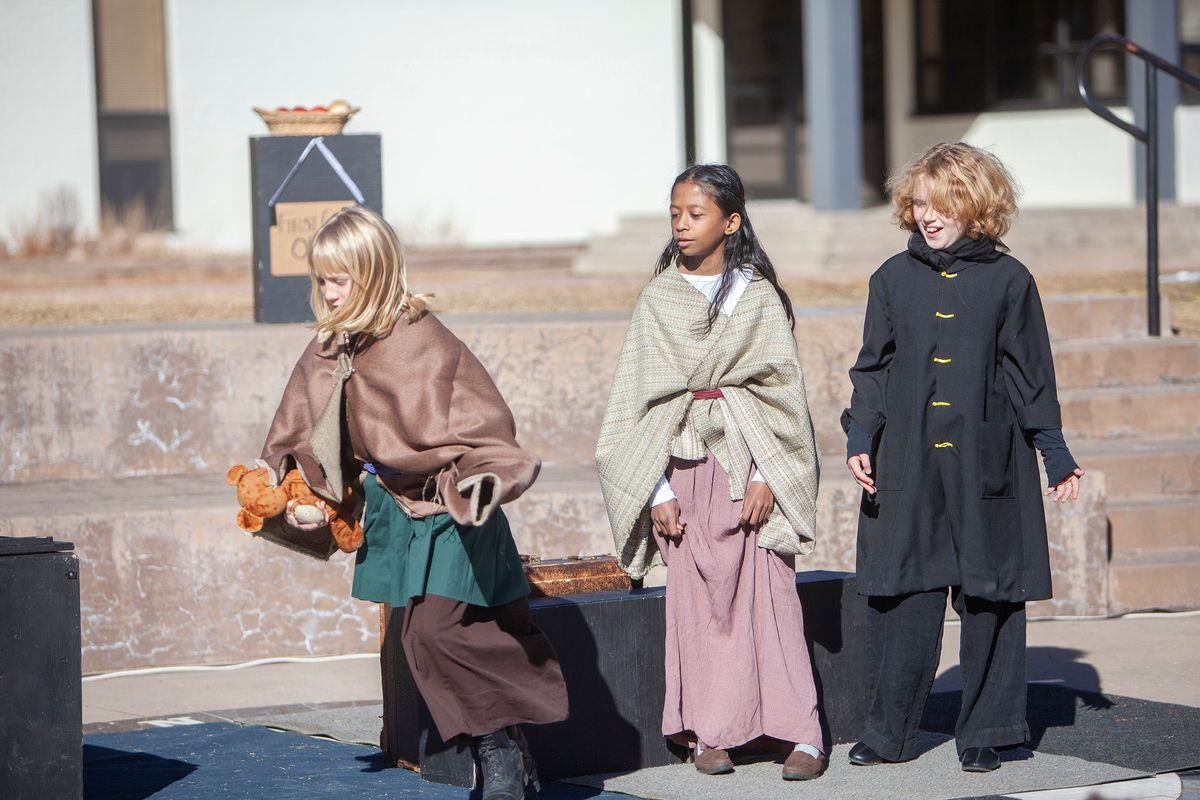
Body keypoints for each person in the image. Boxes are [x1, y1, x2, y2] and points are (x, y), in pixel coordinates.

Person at [259, 205, 568, 800]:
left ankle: (501, 752)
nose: (328, 292)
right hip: (395, 513)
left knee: (436, 632)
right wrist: (303, 492)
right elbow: (307, 436)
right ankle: (501, 748)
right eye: (321, 279)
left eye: (339, 279)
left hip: (450, 508)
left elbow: (486, 428)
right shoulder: (330, 347)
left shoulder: (425, 340)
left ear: (373, 273)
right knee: (417, 639)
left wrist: (482, 483)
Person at [842, 142, 1085, 773]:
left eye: (942, 204)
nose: (927, 216)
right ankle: (889, 732)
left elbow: (1031, 373)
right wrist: (861, 437)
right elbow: (873, 368)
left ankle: (988, 730)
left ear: (976, 206)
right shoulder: (891, 278)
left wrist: (1053, 451)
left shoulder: (1010, 280)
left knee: (990, 596)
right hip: (907, 460)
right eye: (919, 203)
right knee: (905, 592)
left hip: (987, 457)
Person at [595, 164, 825, 781]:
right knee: (698, 605)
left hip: (752, 463)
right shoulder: (658, 300)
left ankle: (801, 731)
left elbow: (783, 394)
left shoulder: (758, 297)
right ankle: (710, 732)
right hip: (684, 469)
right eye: (675, 213)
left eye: (696, 214)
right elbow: (635, 402)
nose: (682, 224)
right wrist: (656, 489)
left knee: (773, 599)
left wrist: (768, 474)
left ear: (731, 221)